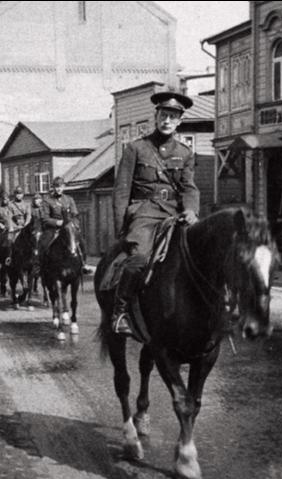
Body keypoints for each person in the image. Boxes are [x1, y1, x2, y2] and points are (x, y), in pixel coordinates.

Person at [107, 90, 199, 336]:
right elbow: (121, 192)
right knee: (139, 258)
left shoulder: (185, 153)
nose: (167, 121)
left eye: (173, 116)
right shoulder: (136, 149)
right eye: (163, 115)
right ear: (155, 116)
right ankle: (121, 311)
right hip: (145, 214)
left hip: (175, 214)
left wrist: (191, 210)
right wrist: (122, 229)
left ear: (179, 121)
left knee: (201, 254)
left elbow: (189, 188)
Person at [38, 177, 87, 269]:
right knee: (44, 243)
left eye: (60, 186)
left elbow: (75, 215)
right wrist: (57, 222)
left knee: (81, 243)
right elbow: (45, 218)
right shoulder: (47, 200)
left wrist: (74, 224)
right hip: (54, 229)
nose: (58, 189)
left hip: (68, 227)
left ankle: (83, 264)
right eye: (56, 187)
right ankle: (40, 266)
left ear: (64, 187)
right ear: (53, 188)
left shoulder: (69, 199)